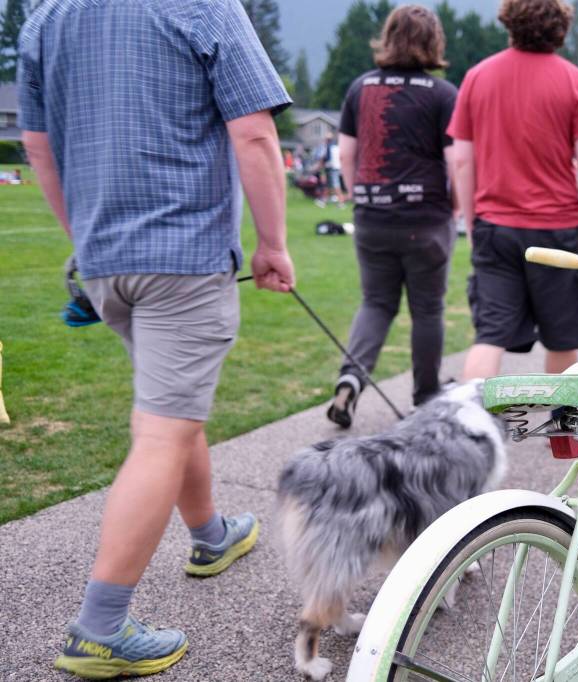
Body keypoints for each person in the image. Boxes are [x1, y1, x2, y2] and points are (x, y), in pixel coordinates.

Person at [17, 1, 294, 678]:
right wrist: (273, 244)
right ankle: (100, 628)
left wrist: (83, 239)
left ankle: (210, 536)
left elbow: (38, 147)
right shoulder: (201, 6)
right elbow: (253, 133)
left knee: (174, 406)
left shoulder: (46, 15)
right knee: (164, 430)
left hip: (106, 260)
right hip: (183, 257)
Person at [449, 0, 578, 381]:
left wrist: (473, 223)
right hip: (559, 231)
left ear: (509, 22)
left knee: (489, 336)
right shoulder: (577, 83)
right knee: (562, 340)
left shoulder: (476, 78)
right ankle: (563, 436)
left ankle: (473, 430)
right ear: (562, 26)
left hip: (495, 227)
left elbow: (461, 161)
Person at [327, 4, 459, 426]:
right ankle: (426, 396)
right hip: (426, 220)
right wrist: (455, 206)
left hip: (371, 217)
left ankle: (349, 382)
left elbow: (347, 154)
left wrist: (357, 194)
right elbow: (456, 162)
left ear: (388, 38)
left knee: (376, 302)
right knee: (428, 310)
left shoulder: (358, 89)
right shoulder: (441, 94)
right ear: (433, 42)